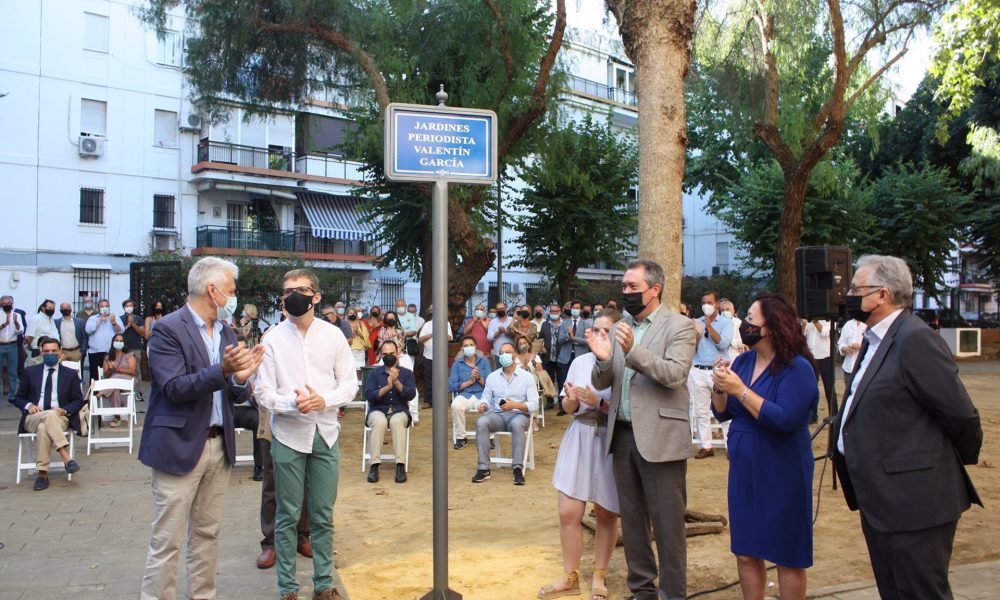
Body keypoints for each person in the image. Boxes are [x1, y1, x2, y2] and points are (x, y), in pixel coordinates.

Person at [833, 254, 983, 599]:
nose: (848, 294)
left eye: (856, 288)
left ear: (882, 294)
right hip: (879, 499)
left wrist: (936, 465)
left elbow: (961, 415)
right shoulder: (875, 339)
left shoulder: (914, 338)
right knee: (895, 591)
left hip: (916, 503)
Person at [139, 256, 263, 600]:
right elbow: (174, 388)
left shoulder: (225, 330)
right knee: (167, 540)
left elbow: (231, 390)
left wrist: (241, 378)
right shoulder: (168, 329)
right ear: (213, 290)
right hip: (178, 447)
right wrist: (222, 371)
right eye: (232, 291)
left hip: (218, 447)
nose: (235, 297)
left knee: (207, 534)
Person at [586, 258, 697, 600]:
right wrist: (603, 359)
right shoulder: (621, 326)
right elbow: (603, 382)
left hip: (661, 439)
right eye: (624, 287)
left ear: (655, 289)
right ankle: (642, 591)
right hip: (622, 437)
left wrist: (633, 349)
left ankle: (672, 594)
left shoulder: (680, 326)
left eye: (633, 287)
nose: (626, 293)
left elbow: (674, 374)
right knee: (633, 524)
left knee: (667, 528)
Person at [254, 268, 357, 600]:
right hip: (287, 436)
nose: (292, 295)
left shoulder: (333, 336)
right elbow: (263, 392)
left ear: (316, 296)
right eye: (287, 291)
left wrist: (323, 400)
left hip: (325, 433)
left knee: (323, 515)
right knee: (287, 514)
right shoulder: (271, 339)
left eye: (300, 289)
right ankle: (287, 588)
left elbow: (350, 385)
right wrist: (293, 403)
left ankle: (324, 585)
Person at [711, 293, 819, 600]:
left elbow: (784, 419)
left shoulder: (798, 369)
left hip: (783, 467)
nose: (744, 324)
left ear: (771, 326)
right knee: (746, 551)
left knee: (787, 553)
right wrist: (720, 387)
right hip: (745, 468)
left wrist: (741, 391)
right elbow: (723, 411)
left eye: (750, 319)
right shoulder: (743, 361)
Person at [538, 312, 620, 600]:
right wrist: (573, 400)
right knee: (568, 512)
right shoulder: (579, 362)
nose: (599, 335)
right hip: (580, 436)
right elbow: (569, 406)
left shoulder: (624, 364)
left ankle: (599, 575)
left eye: (606, 330)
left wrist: (599, 403)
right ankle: (570, 575)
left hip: (610, 441)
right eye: (596, 329)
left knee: (607, 512)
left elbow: (629, 409)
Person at [13, 336, 84, 491]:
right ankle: (66, 456)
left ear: (60, 352)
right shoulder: (30, 372)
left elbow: (78, 401)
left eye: (53, 351)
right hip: (33, 416)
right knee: (48, 416)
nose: (50, 354)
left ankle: (42, 474)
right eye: (46, 351)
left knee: (45, 426)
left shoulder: (70, 374)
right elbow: (18, 398)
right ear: (41, 352)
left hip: (59, 417)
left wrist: (65, 410)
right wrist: (29, 405)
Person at [471, 341, 539, 486]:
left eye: (507, 352)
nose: (504, 356)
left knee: (516, 424)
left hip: (519, 415)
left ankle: (517, 469)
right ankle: (483, 468)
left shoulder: (527, 377)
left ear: (515, 354)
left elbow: (535, 404)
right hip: (498, 415)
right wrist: (483, 405)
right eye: (501, 353)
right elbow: (486, 398)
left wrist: (517, 405)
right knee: (481, 422)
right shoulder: (492, 377)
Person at [255, 402, 313, 570]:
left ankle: (302, 536)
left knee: (304, 483)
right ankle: (270, 542)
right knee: (271, 485)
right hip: (272, 425)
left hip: (304, 426)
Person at [687, 291, 733, 459]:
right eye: (703, 302)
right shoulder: (695, 322)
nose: (706, 305)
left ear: (717, 304)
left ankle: (730, 445)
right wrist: (698, 333)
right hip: (698, 369)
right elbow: (691, 347)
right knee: (701, 410)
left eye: (709, 302)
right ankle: (706, 446)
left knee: (725, 410)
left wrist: (709, 325)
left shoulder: (727, 323)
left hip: (719, 370)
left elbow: (723, 344)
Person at [364, 340, 415, 484]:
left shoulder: (407, 373)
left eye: (392, 353)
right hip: (378, 409)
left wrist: (397, 382)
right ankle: (374, 465)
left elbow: (410, 394)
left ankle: (400, 465)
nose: (389, 356)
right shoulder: (374, 374)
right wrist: (387, 387)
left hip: (399, 410)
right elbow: (369, 396)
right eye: (385, 354)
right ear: (380, 355)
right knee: (379, 422)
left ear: (398, 353)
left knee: (396, 421)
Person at [449, 335, 492, 450]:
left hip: (481, 395)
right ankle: (461, 438)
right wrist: (470, 381)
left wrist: (478, 378)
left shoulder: (484, 362)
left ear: (476, 347)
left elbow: (491, 384)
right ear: (462, 349)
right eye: (465, 346)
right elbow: (452, 386)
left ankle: (490, 437)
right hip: (465, 395)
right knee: (455, 405)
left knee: (490, 404)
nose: (469, 347)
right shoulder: (457, 365)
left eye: (471, 345)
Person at [514, 334, 554, 431]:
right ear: (517, 346)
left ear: (528, 344)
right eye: (520, 344)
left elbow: (540, 371)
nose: (523, 345)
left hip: (533, 383)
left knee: (531, 393)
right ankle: (521, 420)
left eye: (524, 343)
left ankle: (534, 420)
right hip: (517, 383)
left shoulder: (535, 356)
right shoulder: (514, 356)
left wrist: (533, 363)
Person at [417, 304, 452, 408]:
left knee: (441, 379)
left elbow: (450, 338)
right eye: (431, 309)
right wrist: (432, 334)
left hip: (441, 357)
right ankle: (428, 401)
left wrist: (440, 332)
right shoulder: (427, 324)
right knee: (429, 379)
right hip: (428, 356)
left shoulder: (446, 323)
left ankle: (440, 401)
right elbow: (420, 339)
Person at [99, 333, 137, 428]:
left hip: (129, 382)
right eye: (116, 341)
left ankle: (102, 392)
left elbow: (132, 371)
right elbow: (106, 375)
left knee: (117, 377)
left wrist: (117, 369)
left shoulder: (129, 355)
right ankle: (117, 417)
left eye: (121, 341)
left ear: (124, 343)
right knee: (115, 387)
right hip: (113, 385)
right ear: (112, 342)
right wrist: (111, 369)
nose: (118, 342)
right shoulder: (108, 357)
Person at [85, 299, 122, 384]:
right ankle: (94, 395)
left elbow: (121, 331)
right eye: (102, 306)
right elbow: (88, 330)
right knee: (95, 376)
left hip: (111, 352)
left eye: (106, 306)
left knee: (112, 374)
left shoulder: (114, 317)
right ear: (98, 308)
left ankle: (110, 394)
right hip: (95, 352)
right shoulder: (93, 318)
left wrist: (113, 322)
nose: (104, 308)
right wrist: (100, 320)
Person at [802, 317, 831, 423]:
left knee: (829, 387)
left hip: (825, 356)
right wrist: (804, 325)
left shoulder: (829, 320)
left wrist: (814, 320)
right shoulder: (808, 320)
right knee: (811, 388)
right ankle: (812, 416)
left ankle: (834, 414)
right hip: (811, 357)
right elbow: (802, 335)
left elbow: (824, 333)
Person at [1, 295, 26, 403]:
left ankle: (12, 396)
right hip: (0, 345)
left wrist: (15, 322)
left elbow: (20, 331)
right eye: (4, 303)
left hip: (12, 345)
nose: (7, 305)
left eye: (9, 303)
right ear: (1, 304)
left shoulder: (17, 315)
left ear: (12, 304)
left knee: (12, 372)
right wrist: (4, 324)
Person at [25, 299, 58, 367]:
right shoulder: (35, 319)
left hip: (53, 351)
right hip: (40, 351)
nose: (52, 310)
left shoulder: (51, 319)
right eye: (49, 308)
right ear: (43, 308)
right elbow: (28, 337)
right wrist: (33, 347)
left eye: (53, 308)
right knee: (39, 373)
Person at [836, 317, 866, 387]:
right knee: (848, 393)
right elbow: (841, 342)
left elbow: (874, 345)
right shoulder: (848, 324)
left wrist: (860, 346)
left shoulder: (868, 324)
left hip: (863, 368)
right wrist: (844, 348)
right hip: (848, 367)